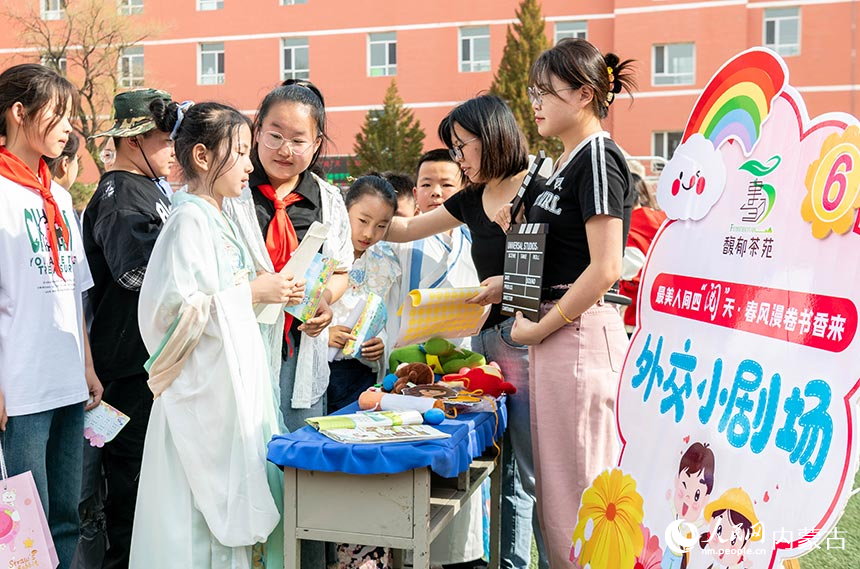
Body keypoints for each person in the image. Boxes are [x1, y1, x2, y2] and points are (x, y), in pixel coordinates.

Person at [131, 101, 302, 569]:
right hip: (203, 402)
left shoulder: (218, 219)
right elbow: (170, 317)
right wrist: (251, 292)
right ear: (203, 157)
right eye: (241, 152)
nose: (250, 164)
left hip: (230, 390)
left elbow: (219, 299)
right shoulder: (187, 221)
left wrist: (268, 294)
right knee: (197, 521)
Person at [386, 95, 546, 569]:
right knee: (502, 467)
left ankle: (523, 561)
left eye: (461, 147)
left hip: (535, 339)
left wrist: (505, 285)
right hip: (489, 344)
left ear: (491, 136)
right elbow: (407, 228)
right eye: (452, 148)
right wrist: (354, 215)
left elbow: (551, 272)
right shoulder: (474, 198)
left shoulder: (539, 187)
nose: (457, 158)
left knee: (533, 476)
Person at [496, 38, 636, 568]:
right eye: (533, 92)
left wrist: (537, 327)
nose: (534, 103)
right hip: (558, 335)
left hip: (576, 336)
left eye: (545, 92)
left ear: (583, 94)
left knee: (581, 497)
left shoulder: (598, 156)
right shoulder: (562, 160)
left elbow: (606, 268)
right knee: (560, 498)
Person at [0, 62, 103, 568]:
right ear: (19, 113)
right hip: (19, 390)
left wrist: (86, 366)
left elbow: (75, 292)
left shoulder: (60, 196)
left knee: (66, 515)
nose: (70, 128)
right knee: (21, 524)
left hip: (66, 381)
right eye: (59, 115)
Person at [81, 88, 176, 569]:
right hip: (125, 367)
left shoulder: (150, 188)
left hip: (145, 360)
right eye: (164, 140)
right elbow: (133, 274)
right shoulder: (119, 196)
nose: (172, 151)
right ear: (134, 140)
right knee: (130, 485)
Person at [248, 80, 352, 432]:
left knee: (297, 461)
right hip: (242, 348)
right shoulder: (232, 193)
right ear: (256, 130)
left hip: (300, 349)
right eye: (274, 136)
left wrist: (323, 300)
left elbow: (341, 271)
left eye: (298, 140)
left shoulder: (328, 200)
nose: (284, 150)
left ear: (316, 143)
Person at [385, 150, 479, 351]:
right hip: (408, 356)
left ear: (464, 190)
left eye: (446, 184)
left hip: (464, 353)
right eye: (427, 184)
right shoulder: (398, 240)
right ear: (416, 193)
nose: (436, 192)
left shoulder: (477, 238)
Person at [326, 175, 400, 414]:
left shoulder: (385, 262)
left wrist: (381, 343)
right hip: (320, 366)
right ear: (345, 210)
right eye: (362, 220)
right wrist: (324, 335)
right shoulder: (323, 251)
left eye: (381, 226)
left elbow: (387, 317)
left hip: (360, 372)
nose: (369, 233)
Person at [619, 173, 666, 334]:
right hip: (667, 314)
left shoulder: (626, 229)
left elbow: (633, 282)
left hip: (636, 320)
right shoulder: (666, 219)